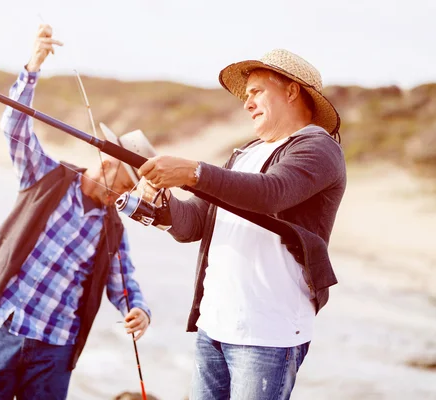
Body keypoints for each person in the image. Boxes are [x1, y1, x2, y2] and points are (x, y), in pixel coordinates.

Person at [138, 49, 346, 399]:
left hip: (268, 333)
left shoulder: (319, 147)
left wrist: (193, 172)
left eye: (256, 92)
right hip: (213, 326)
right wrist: (163, 203)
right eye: (245, 96)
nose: (247, 103)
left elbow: (271, 193)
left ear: (292, 91)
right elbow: (192, 225)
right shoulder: (243, 153)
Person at [0, 24, 154, 400]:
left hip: (55, 349)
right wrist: (32, 66)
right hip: (4, 327)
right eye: (128, 181)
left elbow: (124, 282)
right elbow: (14, 125)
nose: (128, 191)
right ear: (111, 165)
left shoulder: (112, 229)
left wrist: (140, 311)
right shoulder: (47, 176)